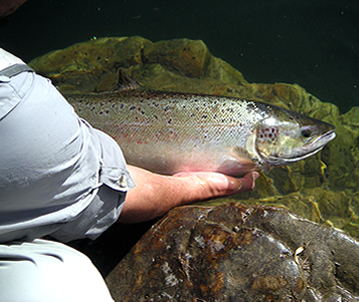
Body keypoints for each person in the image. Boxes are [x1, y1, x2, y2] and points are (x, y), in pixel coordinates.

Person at [0, 47, 258, 301]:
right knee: (66, 279)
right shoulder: (19, 102)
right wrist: (201, 186)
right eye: (301, 135)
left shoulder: (16, 80)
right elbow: (108, 198)